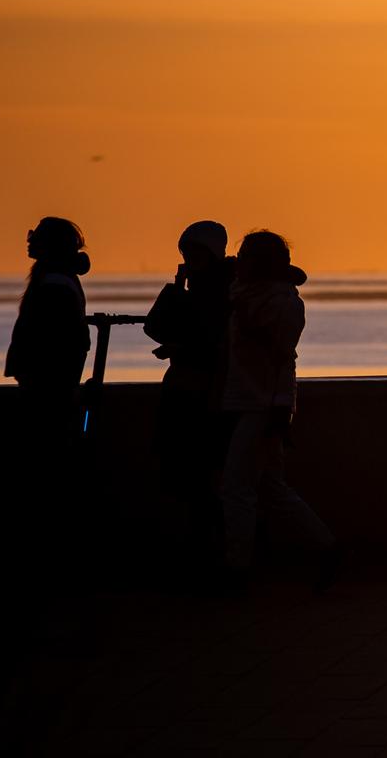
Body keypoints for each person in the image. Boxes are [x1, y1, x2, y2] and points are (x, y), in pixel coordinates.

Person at [218, 230, 337, 593]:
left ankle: (237, 568)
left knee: (238, 487)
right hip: (245, 399)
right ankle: (326, 548)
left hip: (265, 404)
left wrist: (280, 411)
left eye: (247, 256)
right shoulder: (242, 294)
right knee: (271, 487)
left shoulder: (284, 302)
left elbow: (281, 353)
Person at [143, 220, 236, 574]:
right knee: (186, 475)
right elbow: (156, 326)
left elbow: (216, 340)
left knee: (201, 475)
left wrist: (183, 345)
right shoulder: (195, 289)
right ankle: (201, 551)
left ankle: (209, 552)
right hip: (186, 388)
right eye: (186, 252)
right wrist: (177, 286)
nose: (190, 257)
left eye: (196, 251)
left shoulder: (223, 292)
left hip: (205, 393)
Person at [3, 217, 91, 459]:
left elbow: (53, 343)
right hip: (51, 389)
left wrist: (35, 379)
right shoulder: (57, 279)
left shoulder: (54, 286)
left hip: (48, 393)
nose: (30, 242)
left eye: (37, 237)